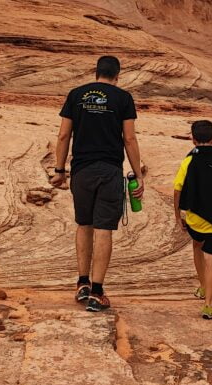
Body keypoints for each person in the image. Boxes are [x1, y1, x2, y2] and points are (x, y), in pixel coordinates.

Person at [50, 55, 144, 312]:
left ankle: (82, 283)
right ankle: (98, 292)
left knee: (84, 224)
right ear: (117, 75)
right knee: (104, 229)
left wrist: (60, 170)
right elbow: (129, 138)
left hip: (81, 171)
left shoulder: (76, 94)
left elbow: (63, 135)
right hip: (110, 171)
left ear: (96, 73)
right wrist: (137, 174)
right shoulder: (123, 98)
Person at [172, 119, 212, 320]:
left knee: (196, 246)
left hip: (196, 218)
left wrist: (177, 215)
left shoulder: (189, 160)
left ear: (193, 139)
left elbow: (178, 189)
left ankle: (202, 286)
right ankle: (209, 305)